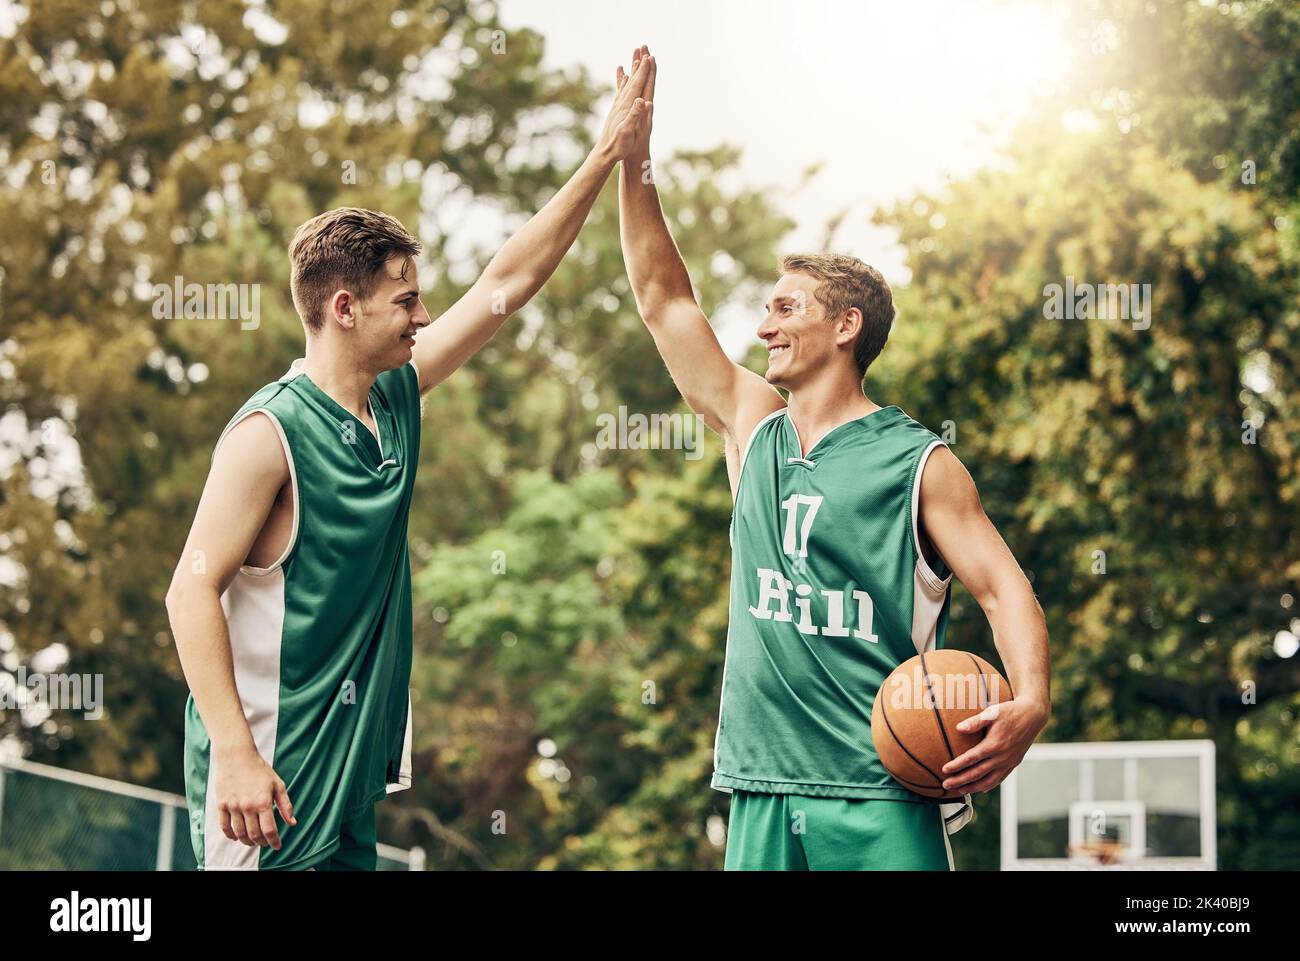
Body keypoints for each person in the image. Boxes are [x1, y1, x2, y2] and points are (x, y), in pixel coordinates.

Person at [165, 54, 655, 871]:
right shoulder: (267, 436)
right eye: (407, 299)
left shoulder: (393, 397)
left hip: (349, 788)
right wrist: (236, 755)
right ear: (345, 308)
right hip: (269, 793)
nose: (424, 315)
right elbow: (190, 589)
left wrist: (605, 157)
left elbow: (508, 280)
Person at [616, 46, 1050, 870]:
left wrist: (1030, 698)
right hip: (762, 785)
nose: (764, 325)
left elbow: (1002, 586)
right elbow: (663, 297)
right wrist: (633, 161)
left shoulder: (919, 463)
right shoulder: (753, 425)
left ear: (845, 326)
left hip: (883, 783)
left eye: (786, 307)